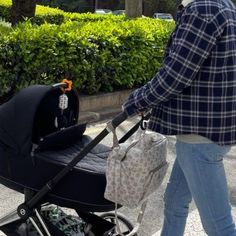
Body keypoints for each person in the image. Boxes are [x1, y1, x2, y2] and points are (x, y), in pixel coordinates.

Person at [122, 0, 236, 235]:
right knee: (174, 202)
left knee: (218, 225)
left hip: (200, 137)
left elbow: (175, 75)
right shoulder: (224, 6)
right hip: (213, 127)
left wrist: (137, 101)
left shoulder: (201, 11)